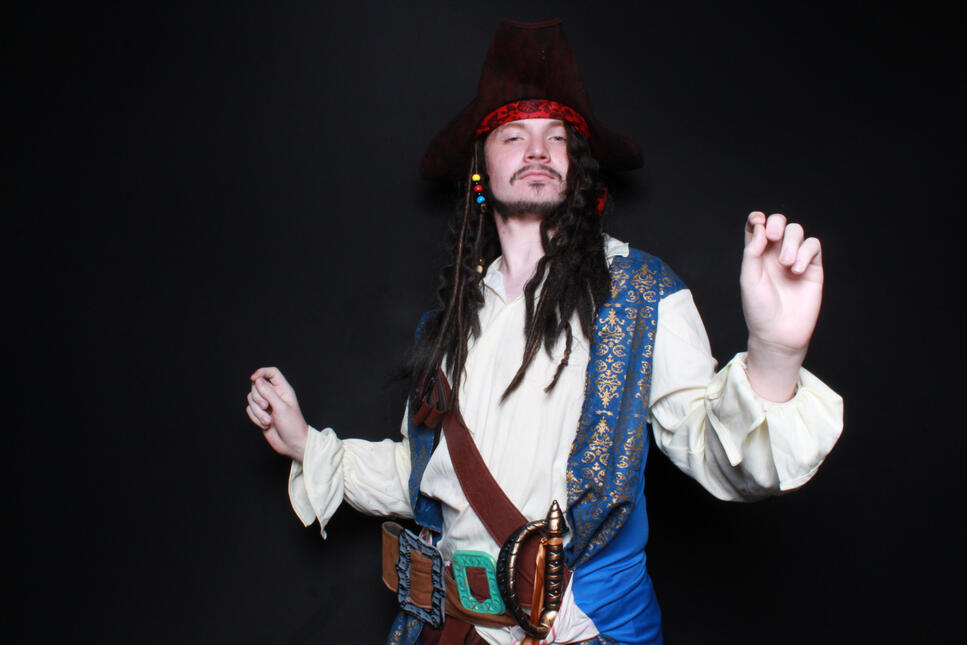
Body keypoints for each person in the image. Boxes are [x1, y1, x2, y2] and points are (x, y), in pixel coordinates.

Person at [244, 19, 842, 645]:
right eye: (513, 135)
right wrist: (307, 445)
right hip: (451, 631)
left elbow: (716, 453)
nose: (537, 150)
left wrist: (775, 356)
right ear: (480, 169)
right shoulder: (449, 322)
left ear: (575, 168)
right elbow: (422, 476)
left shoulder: (639, 293)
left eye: (556, 136)